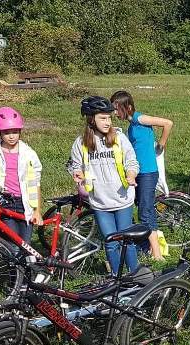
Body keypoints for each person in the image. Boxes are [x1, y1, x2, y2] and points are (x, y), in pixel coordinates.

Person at [68, 96, 141, 277]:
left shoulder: (119, 138)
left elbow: (131, 160)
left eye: (109, 118)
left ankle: (135, 276)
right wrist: (77, 173)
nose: (107, 122)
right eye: (103, 118)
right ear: (91, 119)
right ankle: (117, 278)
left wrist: (131, 174)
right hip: (101, 202)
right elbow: (75, 165)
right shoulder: (81, 143)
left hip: (122, 199)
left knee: (126, 240)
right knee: (110, 242)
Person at [110, 90, 173, 260]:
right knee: (144, 208)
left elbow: (167, 123)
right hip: (139, 172)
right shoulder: (131, 126)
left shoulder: (139, 118)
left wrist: (161, 145)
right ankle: (149, 246)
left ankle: (157, 254)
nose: (115, 113)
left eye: (117, 109)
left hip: (148, 173)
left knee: (145, 211)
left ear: (128, 107)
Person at [0, 106, 43, 244]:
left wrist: (37, 210)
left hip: (25, 204)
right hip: (5, 202)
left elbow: (36, 184)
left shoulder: (29, 154)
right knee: (11, 244)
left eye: (15, 132)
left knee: (25, 244)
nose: (12, 136)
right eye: (7, 133)